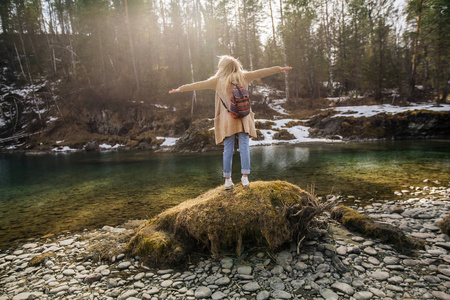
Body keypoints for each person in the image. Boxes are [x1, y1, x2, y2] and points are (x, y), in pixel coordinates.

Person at [169, 55, 292, 189]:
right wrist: (279, 69)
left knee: (228, 150)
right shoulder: (243, 76)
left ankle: (228, 180)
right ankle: (245, 178)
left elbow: (198, 85)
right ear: (235, 65)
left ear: (222, 67)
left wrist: (180, 89)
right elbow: (261, 72)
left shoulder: (217, 81)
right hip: (244, 118)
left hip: (228, 121)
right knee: (244, 147)